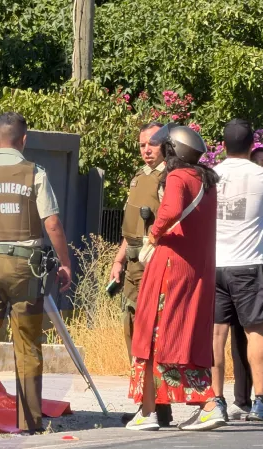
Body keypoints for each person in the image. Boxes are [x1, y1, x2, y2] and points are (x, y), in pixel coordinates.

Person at [0, 112, 72, 434]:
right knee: (27, 346)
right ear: (24, 140)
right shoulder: (34, 174)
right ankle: (30, 421)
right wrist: (65, 264)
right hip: (26, 270)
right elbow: (52, 223)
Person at [125, 123, 220, 431]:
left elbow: (170, 211)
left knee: (155, 334)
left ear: (172, 152)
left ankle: (207, 403)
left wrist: (152, 237)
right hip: (196, 270)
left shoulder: (178, 177)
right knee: (180, 336)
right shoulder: (205, 179)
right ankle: (149, 409)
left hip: (170, 267)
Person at [208, 119, 263, 424]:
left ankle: (216, 400)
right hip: (249, 264)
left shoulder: (210, 176)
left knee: (216, 335)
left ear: (223, 146)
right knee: (256, 332)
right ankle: (261, 402)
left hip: (215, 265)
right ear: (251, 146)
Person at [111, 122, 173, 427]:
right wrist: (118, 261)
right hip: (134, 264)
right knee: (132, 331)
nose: (146, 150)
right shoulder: (138, 179)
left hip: (155, 264)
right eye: (142, 145)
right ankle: (145, 402)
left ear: (164, 145)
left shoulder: (168, 178)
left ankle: (157, 405)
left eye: (152, 144)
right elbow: (131, 229)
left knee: (153, 336)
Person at [228, 143, 263, 420]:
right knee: (238, 335)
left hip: (261, 271)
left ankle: (262, 396)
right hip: (247, 271)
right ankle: (241, 399)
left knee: (261, 335)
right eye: (259, 164)